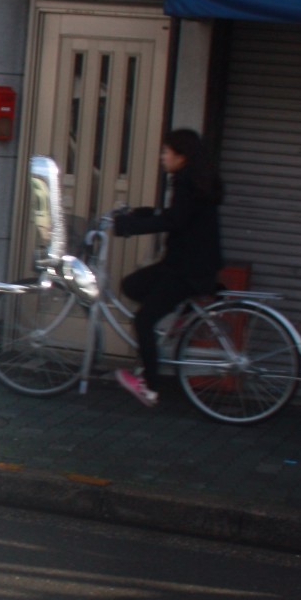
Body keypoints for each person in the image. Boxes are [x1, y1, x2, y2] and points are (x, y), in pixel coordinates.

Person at [111, 128, 224, 407]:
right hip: (189, 265)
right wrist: (146, 213)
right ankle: (174, 319)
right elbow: (179, 216)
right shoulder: (195, 181)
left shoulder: (186, 183)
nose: (163, 157)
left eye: (166, 152)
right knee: (132, 285)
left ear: (181, 156)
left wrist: (131, 227)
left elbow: (175, 221)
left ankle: (149, 387)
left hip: (186, 270)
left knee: (144, 320)